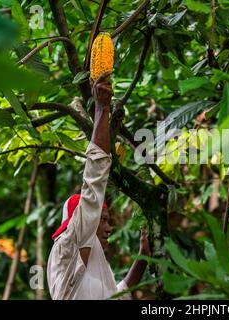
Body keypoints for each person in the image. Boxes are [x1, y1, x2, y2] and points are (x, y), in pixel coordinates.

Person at [47, 72, 151, 300]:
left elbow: (118, 296)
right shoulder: (69, 244)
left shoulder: (94, 269)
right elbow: (94, 179)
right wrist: (101, 109)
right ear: (80, 219)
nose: (109, 229)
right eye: (102, 220)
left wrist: (143, 256)